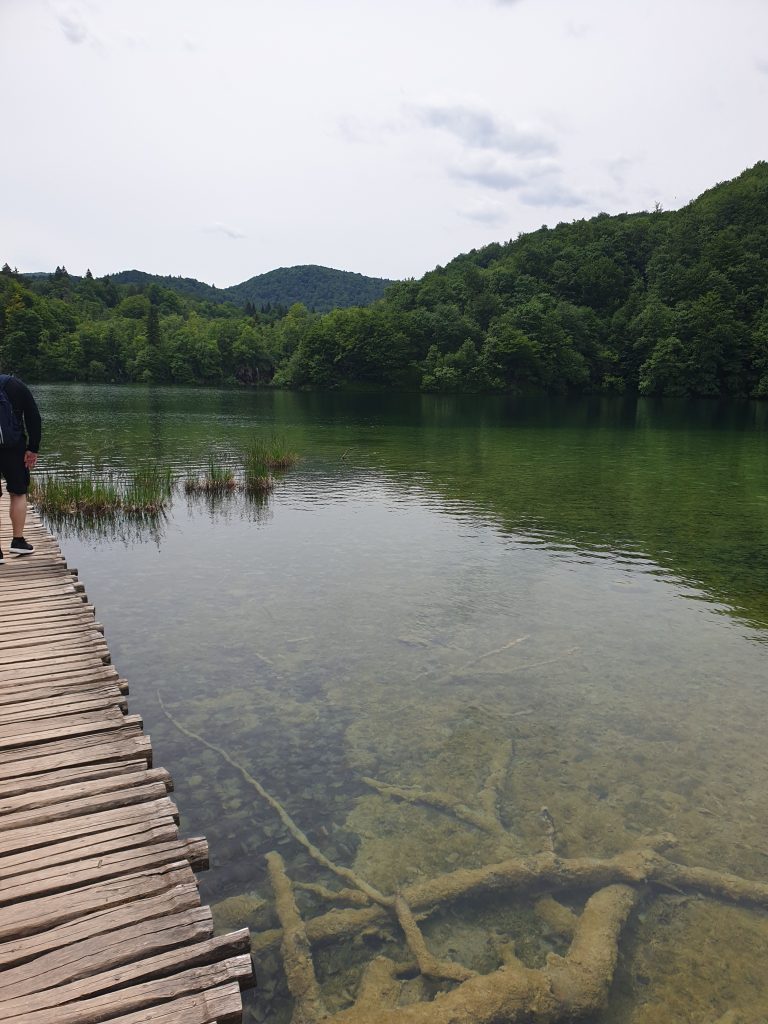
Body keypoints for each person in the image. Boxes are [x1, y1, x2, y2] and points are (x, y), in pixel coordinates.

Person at [0, 373, 41, 563]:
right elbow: (33, 416)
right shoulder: (15, 384)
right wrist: (33, 448)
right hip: (13, 447)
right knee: (18, 493)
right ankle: (18, 541)